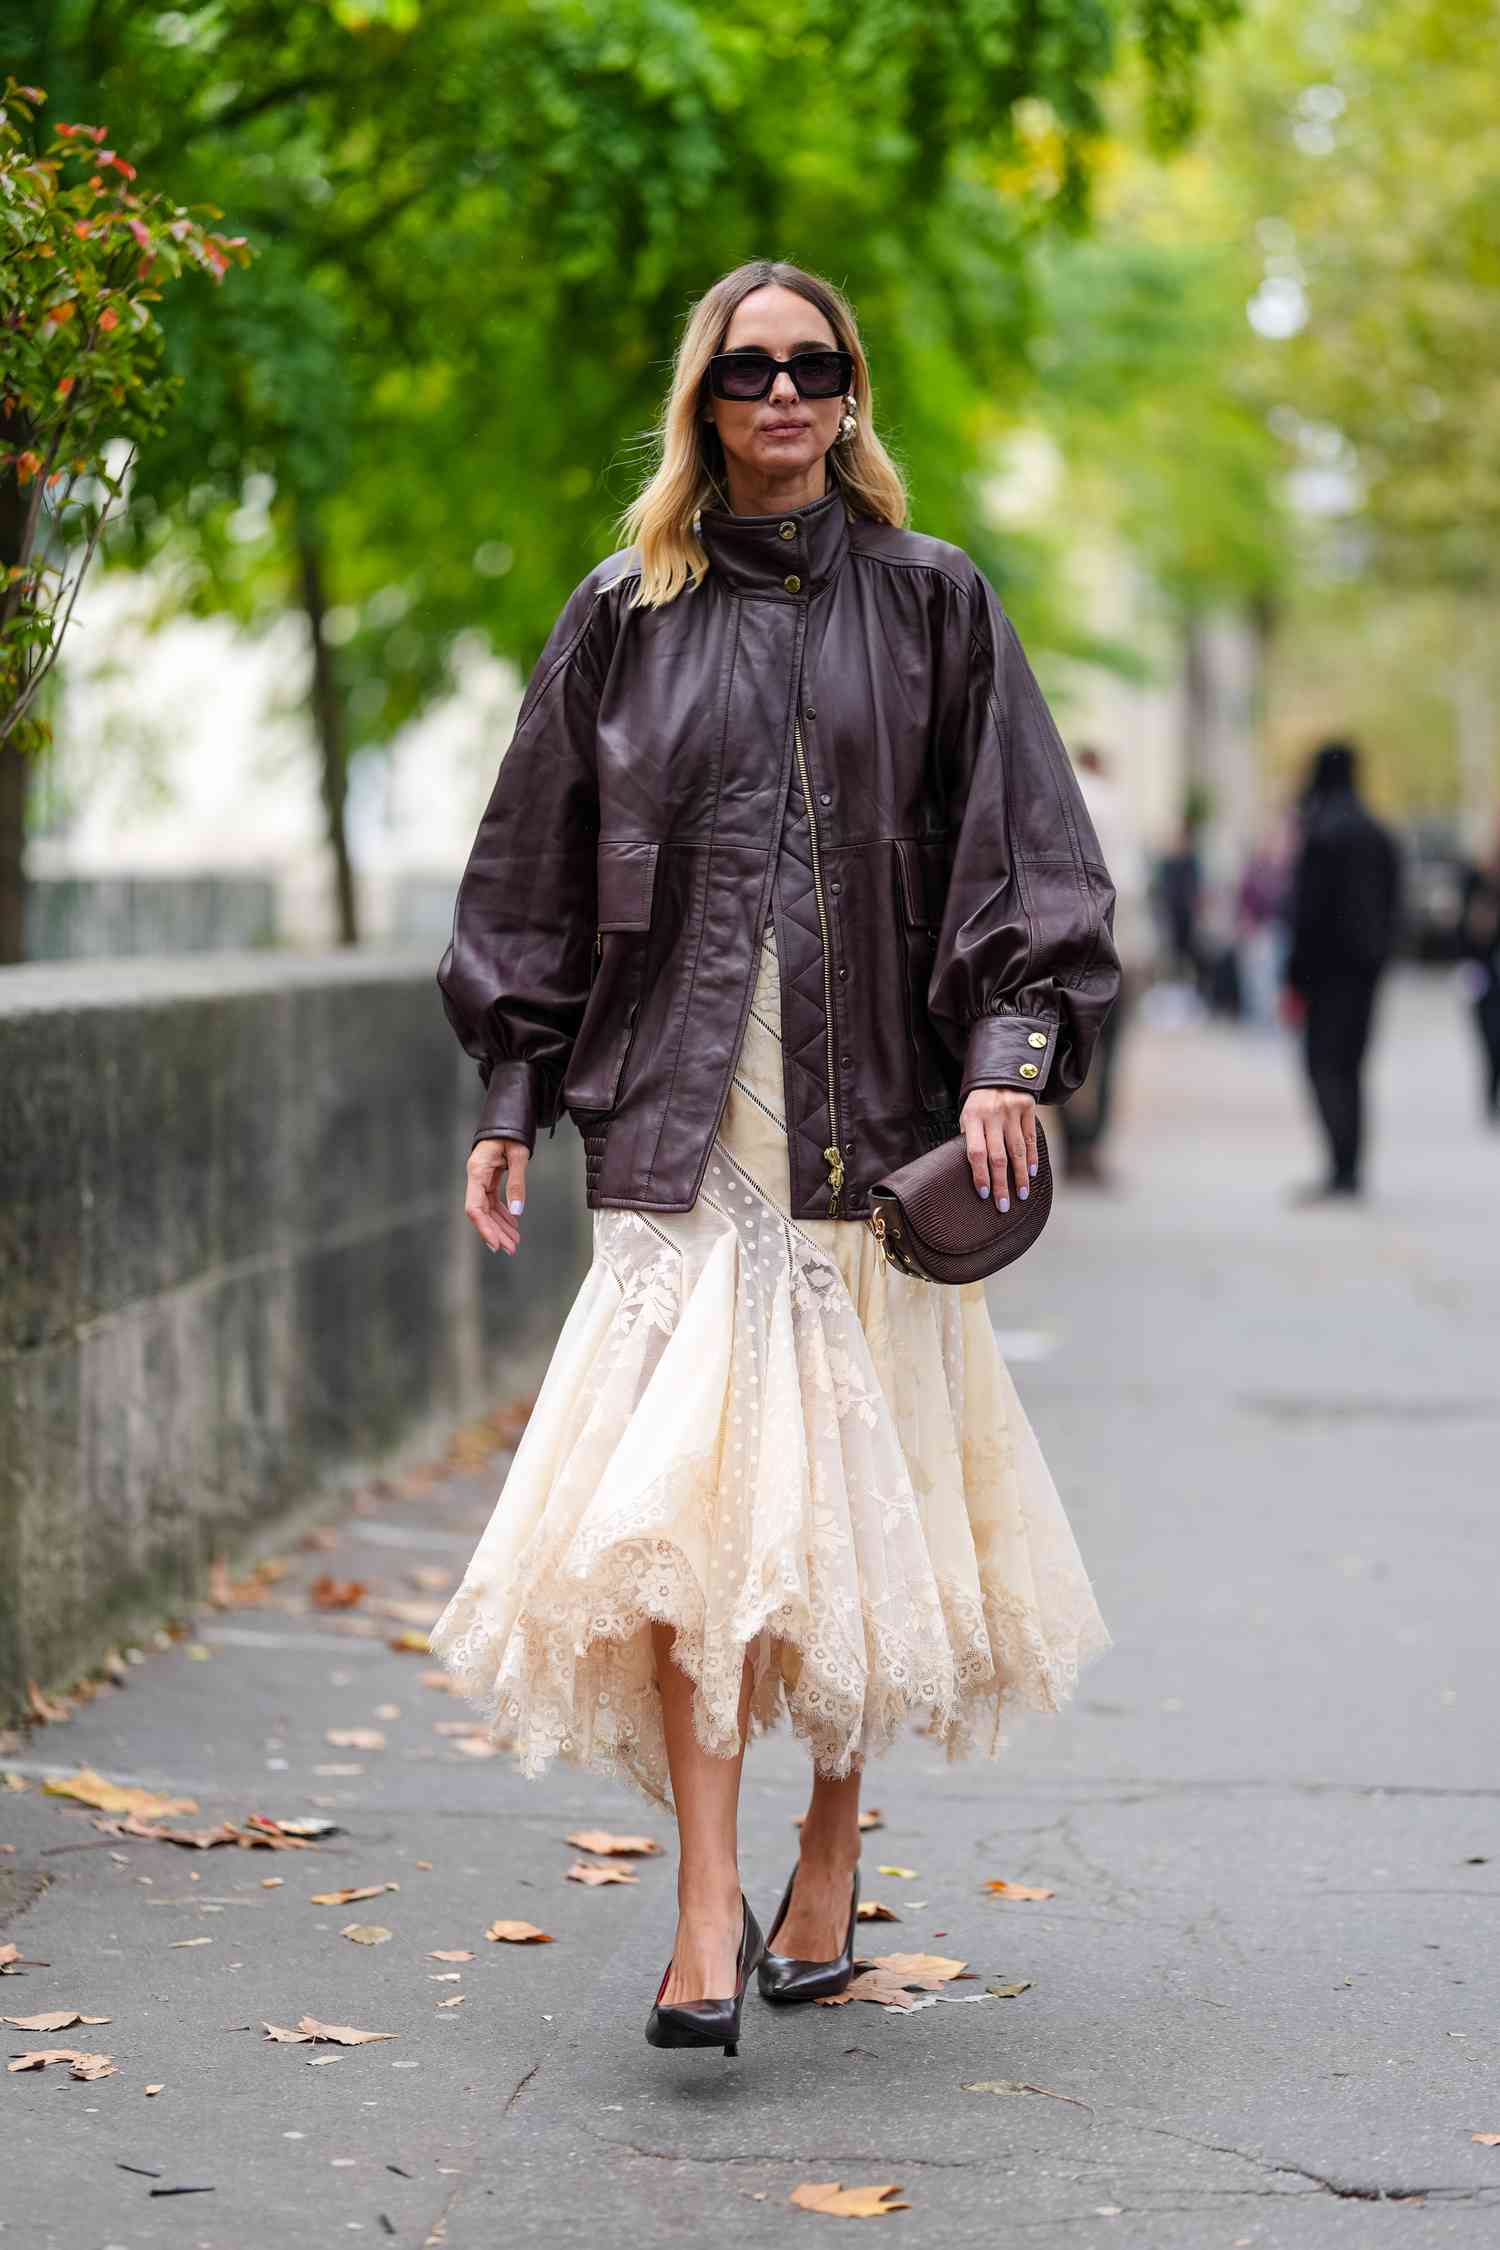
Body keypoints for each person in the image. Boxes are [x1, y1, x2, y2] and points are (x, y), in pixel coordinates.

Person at [427, 260, 1120, 2059]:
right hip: (673, 1114)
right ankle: (699, 1912)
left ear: (852, 392)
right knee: (694, 1521)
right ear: (705, 399)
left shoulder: (937, 602)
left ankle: (829, 1839)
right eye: (752, 370)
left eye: (817, 367)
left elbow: (1026, 851)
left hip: (871, 1119)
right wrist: (510, 1101)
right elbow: (527, 873)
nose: (787, 395)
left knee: (844, 1505)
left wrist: (1011, 1056)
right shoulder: (621, 612)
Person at [1283, 739, 1402, 1200]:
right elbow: (1394, 903)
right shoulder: (1377, 832)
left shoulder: (1322, 831)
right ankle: (1348, 1166)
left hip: (1326, 973)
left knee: (1324, 1066)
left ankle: (1341, 1169)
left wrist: (1294, 975)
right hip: (1365, 971)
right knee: (1352, 1066)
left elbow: (1307, 912)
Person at [1058, 745, 1148, 1186]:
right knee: (1107, 1054)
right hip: (1115, 949)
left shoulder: (1058, 798)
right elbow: (1131, 885)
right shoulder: (1115, 804)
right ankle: (1090, 1147)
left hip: (1065, 951)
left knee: (1069, 1052)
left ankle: (1074, 1148)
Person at [1458, 815, 1500, 1122]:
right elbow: (1462, 931)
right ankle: (1490, 1094)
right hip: (1484, 972)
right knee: (1489, 1036)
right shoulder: (1476, 878)